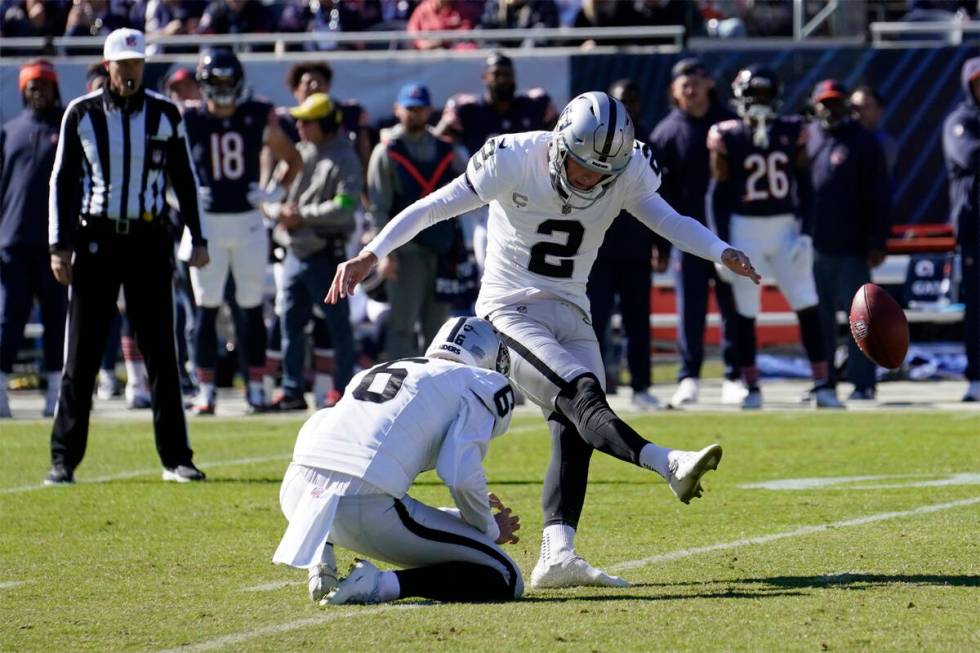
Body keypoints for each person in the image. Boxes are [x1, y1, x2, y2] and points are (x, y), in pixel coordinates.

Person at [327, 91, 761, 588]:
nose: (591, 180)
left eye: (603, 173)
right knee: (584, 395)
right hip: (509, 309)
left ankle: (558, 555)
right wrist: (370, 252)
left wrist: (718, 250)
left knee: (575, 428)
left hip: (573, 308)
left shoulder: (629, 166)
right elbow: (434, 206)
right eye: (582, 167)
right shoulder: (512, 158)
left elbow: (666, 219)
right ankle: (668, 462)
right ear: (559, 145)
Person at [46, 28, 209, 485]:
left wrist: (199, 237)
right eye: (124, 64)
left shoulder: (164, 113)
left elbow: (185, 178)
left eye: (137, 63)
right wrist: (60, 246)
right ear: (108, 65)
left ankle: (176, 457)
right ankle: (64, 459)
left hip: (149, 240)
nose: (131, 71)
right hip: (96, 240)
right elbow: (62, 182)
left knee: (162, 351)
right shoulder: (81, 114)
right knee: (81, 353)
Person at [273, 316, 523, 605]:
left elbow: (319, 423)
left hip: (297, 496)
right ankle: (378, 584)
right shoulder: (478, 381)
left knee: (364, 479)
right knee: (505, 576)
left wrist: (466, 518)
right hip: (362, 506)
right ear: (491, 356)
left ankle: (322, 552)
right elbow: (459, 473)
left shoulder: (383, 368)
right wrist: (488, 529)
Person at [708, 65, 842, 410]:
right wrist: (720, 246)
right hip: (744, 228)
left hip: (784, 228)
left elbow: (807, 187)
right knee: (745, 311)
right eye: (755, 94)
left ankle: (824, 384)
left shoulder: (793, 131)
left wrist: (807, 234)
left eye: (765, 95)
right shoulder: (727, 134)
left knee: (806, 302)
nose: (760, 102)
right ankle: (750, 386)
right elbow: (717, 194)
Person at [180, 48, 302, 415]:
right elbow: (163, 166)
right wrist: (180, 197)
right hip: (206, 224)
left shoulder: (256, 115)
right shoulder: (189, 119)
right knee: (205, 309)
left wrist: (271, 196)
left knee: (250, 310)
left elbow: (292, 158)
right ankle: (206, 389)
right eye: (215, 81)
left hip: (248, 221)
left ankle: (256, 386)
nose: (222, 89)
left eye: (227, 81)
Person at [648, 58, 742, 408]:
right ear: (674, 90)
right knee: (691, 310)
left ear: (708, 84)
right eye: (683, 83)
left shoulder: (730, 125)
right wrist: (659, 242)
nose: (690, 88)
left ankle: (734, 375)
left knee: (733, 307)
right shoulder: (665, 133)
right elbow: (656, 196)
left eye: (696, 81)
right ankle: (689, 376)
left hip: (730, 234)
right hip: (686, 238)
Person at [265, 93, 360, 412]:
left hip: (325, 254)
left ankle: (343, 387)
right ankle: (292, 389)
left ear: (326, 124)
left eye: (307, 121)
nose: (300, 126)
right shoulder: (299, 153)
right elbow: (273, 193)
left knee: (338, 325)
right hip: (295, 251)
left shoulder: (345, 157)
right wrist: (278, 210)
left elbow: (346, 207)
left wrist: (302, 214)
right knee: (289, 323)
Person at [368, 83, 467, 359]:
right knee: (401, 324)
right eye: (409, 108)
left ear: (429, 111)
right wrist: (384, 253)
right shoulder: (387, 150)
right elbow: (378, 206)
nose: (415, 114)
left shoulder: (446, 149)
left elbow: (472, 183)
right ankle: (397, 389)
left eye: (420, 108)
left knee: (438, 329)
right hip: (405, 251)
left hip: (442, 249)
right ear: (397, 110)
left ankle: (434, 387)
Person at [808, 79, 891, 401]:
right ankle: (824, 381)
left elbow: (879, 196)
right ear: (814, 105)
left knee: (862, 319)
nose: (830, 108)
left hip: (852, 247)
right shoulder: (808, 136)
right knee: (819, 320)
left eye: (835, 102)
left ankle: (863, 382)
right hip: (813, 246)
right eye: (824, 102)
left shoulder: (863, 141)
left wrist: (877, 241)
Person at [587, 78, 666, 410]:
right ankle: (593, 387)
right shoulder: (594, 137)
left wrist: (662, 245)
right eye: (623, 101)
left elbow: (662, 198)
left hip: (635, 247)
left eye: (633, 100)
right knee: (594, 320)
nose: (630, 107)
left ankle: (641, 386)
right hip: (598, 247)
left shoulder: (647, 144)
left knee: (637, 323)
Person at [0, 59, 67, 419]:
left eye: (44, 84)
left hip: (56, 243)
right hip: (14, 240)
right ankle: (0, 386)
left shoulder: (67, 128)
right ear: (23, 90)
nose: (38, 91)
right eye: (32, 85)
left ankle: (56, 390)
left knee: (57, 318)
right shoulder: (10, 131)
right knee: (10, 317)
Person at [942, 57, 980, 403]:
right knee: (978, 310)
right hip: (975, 232)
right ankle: (976, 378)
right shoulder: (961, 119)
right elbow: (970, 156)